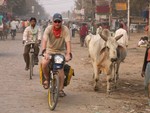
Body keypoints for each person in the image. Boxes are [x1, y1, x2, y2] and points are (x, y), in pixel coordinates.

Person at [41, 13, 72, 97]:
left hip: (60, 52)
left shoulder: (65, 30)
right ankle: (47, 79)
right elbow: (44, 40)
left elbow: (68, 43)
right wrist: (44, 52)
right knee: (44, 64)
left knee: (60, 69)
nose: (57, 23)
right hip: (49, 51)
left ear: (61, 22)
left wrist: (68, 54)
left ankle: (61, 89)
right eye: (55, 21)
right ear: (53, 22)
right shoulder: (48, 29)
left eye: (59, 21)